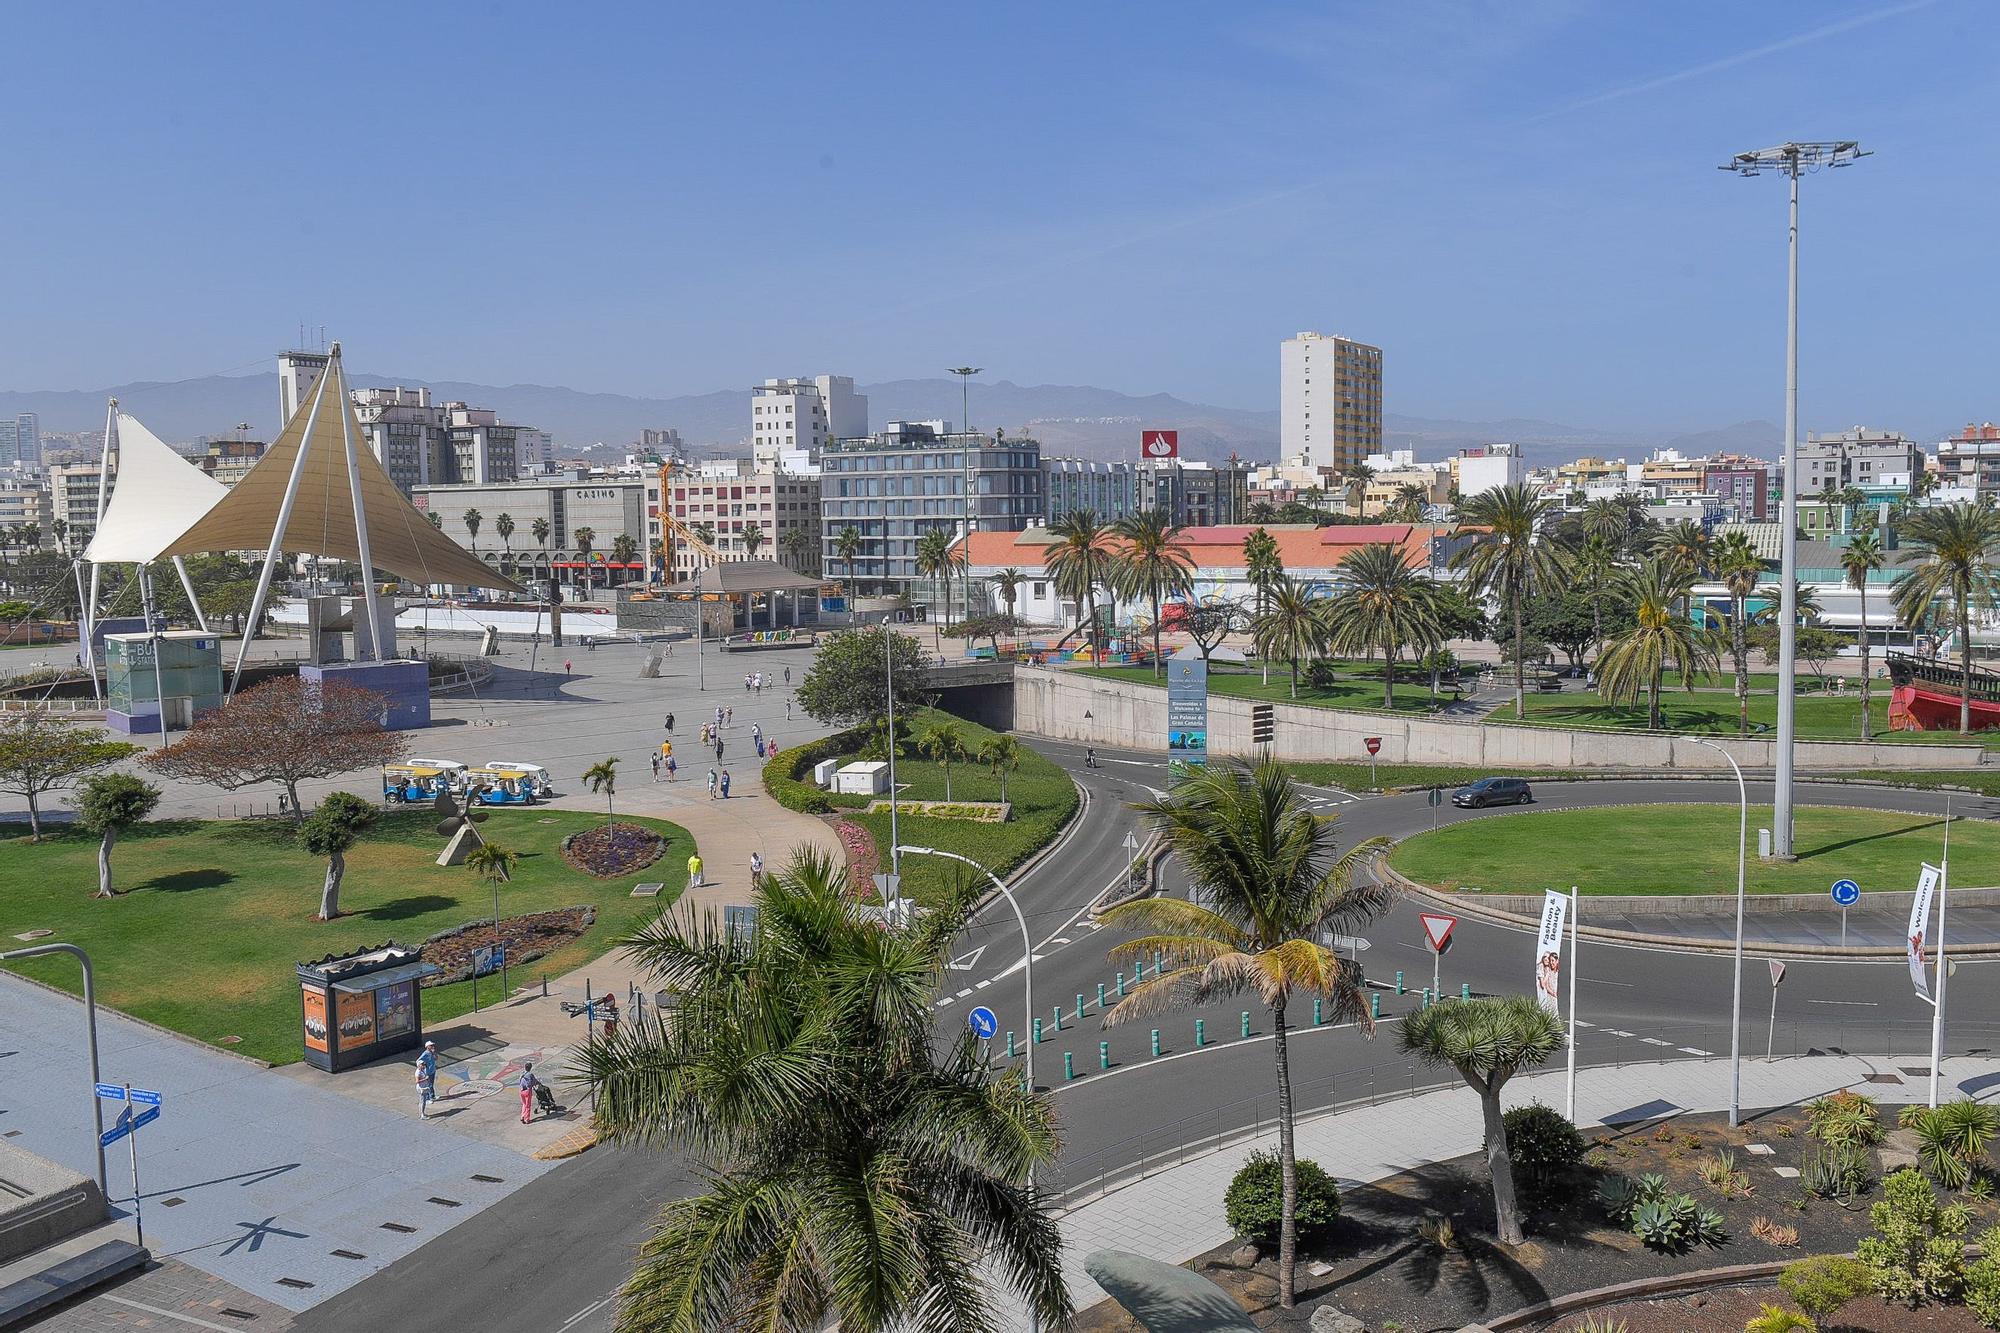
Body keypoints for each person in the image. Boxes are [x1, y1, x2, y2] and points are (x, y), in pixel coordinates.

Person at [415, 1040, 438, 1118]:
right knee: (429, 1085)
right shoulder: (425, 1053)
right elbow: (418, 1060)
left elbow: (436, 1058)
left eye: (432, 1045)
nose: (432, 1046)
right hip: (428, 1072)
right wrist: (422, 1066)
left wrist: (434, 1052)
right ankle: (429, 1098)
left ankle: (432, 1095)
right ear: (427, 1047)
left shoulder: (432, 1052)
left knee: (432, 1083)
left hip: (432, 1070)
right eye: (431, 1045)